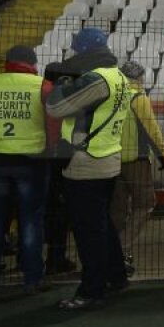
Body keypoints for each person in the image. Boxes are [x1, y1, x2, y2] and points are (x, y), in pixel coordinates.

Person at [44, 28, 132, 311]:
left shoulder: (95, 79)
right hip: (108, 159)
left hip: (86, 164)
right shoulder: (118, 76)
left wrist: (61, 82)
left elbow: (55, 107)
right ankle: (116, 276)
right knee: (102, 225)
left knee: (88, 232)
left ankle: (91, 290)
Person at [0, 46, 55, 300]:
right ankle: (32, 280)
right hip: (32, 163)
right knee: (30, 222)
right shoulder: (43, 87)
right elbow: (53, 127)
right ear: (33, 63)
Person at [111, 61, 164, 273]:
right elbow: (151, 128)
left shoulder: (113, 96)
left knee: (117, 208)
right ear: (138, 78)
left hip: (112, 159)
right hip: (137, 160)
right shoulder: (139, 97)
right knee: (145, 204)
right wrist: (163, 153)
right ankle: (121, 248)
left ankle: (112, 251)